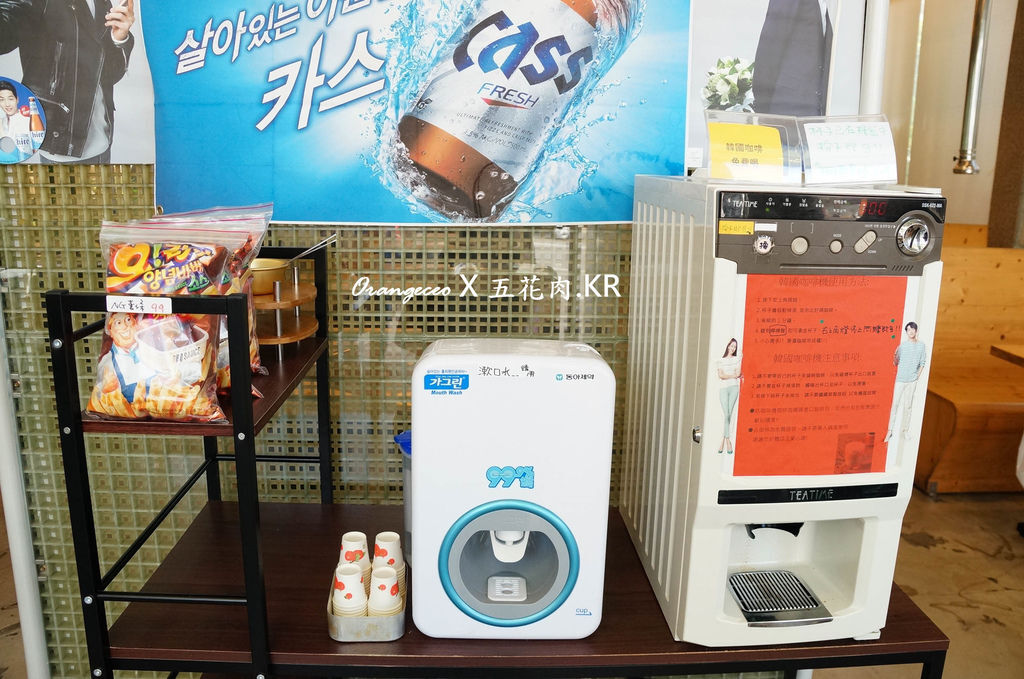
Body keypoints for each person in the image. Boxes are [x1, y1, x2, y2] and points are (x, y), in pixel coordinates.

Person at [0, 0, 136, 163]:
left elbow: (108, 76)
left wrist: (119, 39)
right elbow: (5, 32)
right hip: (61, 144)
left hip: (103, 142)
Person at [751, 0, 833, 116]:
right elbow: (771, 45)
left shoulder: (824, 5)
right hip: (786, 108)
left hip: (812, 110)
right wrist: (761, 101)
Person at [885, 321, 928, 443]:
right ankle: (890, 430)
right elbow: (895, 362)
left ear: (916, 330)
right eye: (909, 330)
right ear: (906, 332)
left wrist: (917, 376)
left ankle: (905, 430)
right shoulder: (902, 346)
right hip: (900, 379)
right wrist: (894, 356)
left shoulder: (921, 346)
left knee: (908, 405)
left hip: (912, 381)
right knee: (895, 404)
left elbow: (923, 362)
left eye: (913, 329)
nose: (911, 331)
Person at [717, 338, 742, 454]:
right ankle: (727, 440)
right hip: (723, 389)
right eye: (731, 346)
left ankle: (723, 441)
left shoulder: (736, 360)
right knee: (726, 414)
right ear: (728, 346)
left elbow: (738, 373)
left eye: (734, 347)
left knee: (729, 414)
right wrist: (732, 376)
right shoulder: (721, 360)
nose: (732, 348)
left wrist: (732, 374)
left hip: (734, 388)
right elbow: (721, 375)